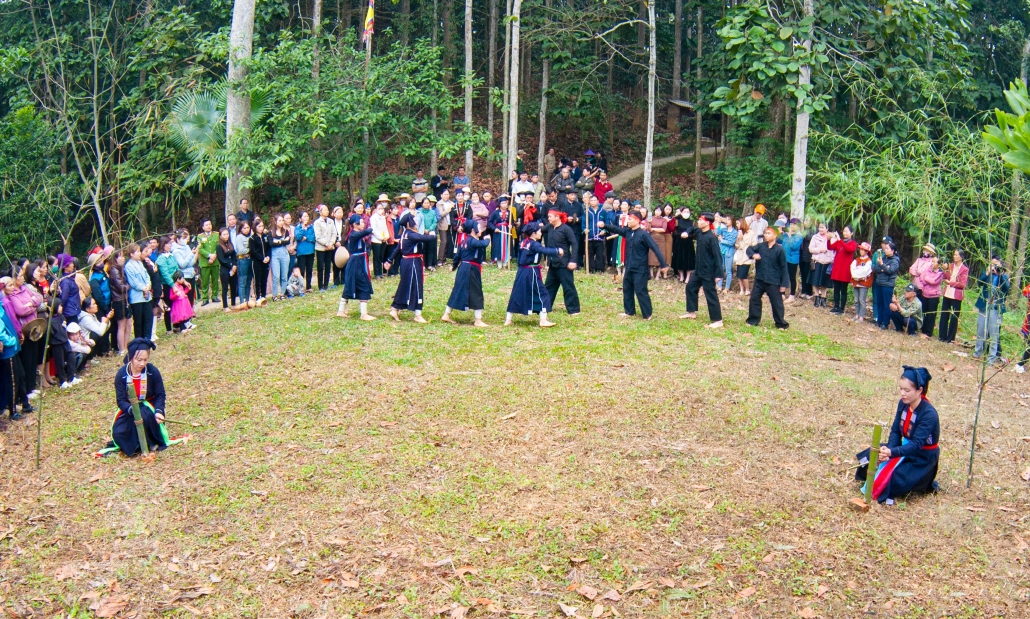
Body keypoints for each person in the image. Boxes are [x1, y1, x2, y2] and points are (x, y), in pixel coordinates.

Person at [855, 366, 940, 504]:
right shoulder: (903, 403)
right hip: (903, 447)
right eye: (901, 389)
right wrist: (888, 449)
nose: (903, 393)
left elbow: (917, 445)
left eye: (907, 390)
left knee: (893, 479)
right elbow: (896, 430)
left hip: (920, 456)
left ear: (919, 390)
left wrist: (892, 452)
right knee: (871, 457)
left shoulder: (928, 414)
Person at [98, 338, 190, 458]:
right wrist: (132, 410)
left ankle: (149, 444)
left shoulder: (152, 371)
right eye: (139, 360)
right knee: (120, 432)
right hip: (129, 409)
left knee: (145, 418)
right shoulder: (121, 375)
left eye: (145, 360)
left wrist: (159, 411)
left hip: (148, 405)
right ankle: (134, 446)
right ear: (131, 357)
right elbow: (120, 400)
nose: (142, 363)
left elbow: (160, 394)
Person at [597, 210, 669, 320]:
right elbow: (617, 229)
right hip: (629, 265)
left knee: (640, 291)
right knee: (627, 288)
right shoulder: (628, 232)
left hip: (640, 268)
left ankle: (647, 314)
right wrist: (604, 225)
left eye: (630, 219)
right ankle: (629, 311)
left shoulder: (644, 235)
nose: (628, 221)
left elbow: (655, 248)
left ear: (637, 220)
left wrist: (663, 264)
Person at [506, 222, 561, 327]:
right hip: (531, 271)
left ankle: (508, 319)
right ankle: (543, 320)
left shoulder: (523, 242)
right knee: (543, 293)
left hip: (521, 271)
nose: (541, 233)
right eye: (539, 231)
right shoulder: (534, 244)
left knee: (517, 293)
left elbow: (519, 257)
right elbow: (543, 250)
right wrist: (557, 250)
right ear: (533, 233)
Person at [384, 212, 437, 323]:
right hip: (412, 262)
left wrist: (389, 260)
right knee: (417, 286)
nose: (417, 222)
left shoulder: (405, 234)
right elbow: (425, 238)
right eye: (415, 220)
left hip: (408, 262)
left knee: (406, 285)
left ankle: (395, 309)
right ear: (409, 223)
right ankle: (417, 314)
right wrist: (433, 235)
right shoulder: (411, 235)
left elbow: (398, 249)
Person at [442, 220, 491, 327]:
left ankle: (446, 314)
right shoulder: (472, 241)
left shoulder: (464, 241)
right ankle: (478, 320)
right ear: (473, 230)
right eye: (478, 226)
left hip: (464, 268)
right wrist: (487, 239)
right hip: (470, 269)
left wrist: (454, 266)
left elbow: (458, 256)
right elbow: (483, 244)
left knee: (458, 290)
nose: (480, 229)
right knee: (476, 292)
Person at [682, 212, 723, 328]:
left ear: (707, 223)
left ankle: (718, 320)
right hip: (698, 270)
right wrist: (686, 232)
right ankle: (691, 312)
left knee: (710, 294)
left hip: (708, 271)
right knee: (690, 287)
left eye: (701, 220)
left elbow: (718, 257)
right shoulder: (699, 232)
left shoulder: (712, 238)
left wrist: (718, 274)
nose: (698, 222)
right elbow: (691, 228)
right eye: (699, 220)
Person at [744, 227, 790, 328]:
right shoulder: (761, 246)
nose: (766, 235)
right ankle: (753, 320)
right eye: (765, 233)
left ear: (775, 236)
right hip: (760, 278)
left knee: (776, 303)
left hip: (773, 280)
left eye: (769, 233)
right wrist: (753, 255)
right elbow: (749, 249)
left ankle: (781, 323)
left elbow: (784, 268)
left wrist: (784, 284)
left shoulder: (779, 250)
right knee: (754, 299)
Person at [337, 214, 377, 321]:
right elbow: (366, 232)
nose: (363, 223)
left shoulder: (355, 234)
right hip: (356, 263)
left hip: (358, 262)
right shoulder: (353, 235)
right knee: (363, 284)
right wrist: (372, 228)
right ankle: (363, 314)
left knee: (350, 284)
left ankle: (341, 310)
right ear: (355, 224)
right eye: (361, 222)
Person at [541, 209, 581, 316]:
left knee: (568, 287)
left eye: (550, 217)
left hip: (564, 263)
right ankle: (545, 306)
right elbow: (539, 230)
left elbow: (574, 244)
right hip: (553, 264)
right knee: (549, 287)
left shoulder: (566, 229)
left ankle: (573, 309)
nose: (548, 219)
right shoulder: (549, 227)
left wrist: (573, 261)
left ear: (557, 217)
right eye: (548, 216)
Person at [974, 255, 1009, 364]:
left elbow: (1007, 288)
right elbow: (979, 283)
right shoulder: (988, 273)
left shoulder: (1003, 276)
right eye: (992, 264)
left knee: (994, 333)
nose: (994, 267)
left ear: (1000, 265)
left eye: (996, 264)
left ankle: (991, 358)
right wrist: (987, 272)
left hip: (995, 307)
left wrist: (1000, 274)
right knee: (980, 329)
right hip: (984, 304)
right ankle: (977, 353)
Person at [911, 245, 944, 338]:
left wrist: (926, 278)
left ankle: (928, 332)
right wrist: (926, 278)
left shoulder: (940, 272)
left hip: (934, 295)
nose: (932, 263)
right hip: (925, 293)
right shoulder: (928, 269)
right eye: (932, 261)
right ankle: (922, 329)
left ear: (939, 264)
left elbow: (934, 281)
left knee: (931, 314)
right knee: (924, 312)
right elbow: (922, 278)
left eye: (934, 262)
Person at [938, 249, 969, 344]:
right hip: (947, 293)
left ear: (961, 257)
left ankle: (950, 338)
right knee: (944, 315)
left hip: (956, 295)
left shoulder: (964, 269)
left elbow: (962, 284)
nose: (954, 256)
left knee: (954, 317)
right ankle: (942, 336)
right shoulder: (951, 266)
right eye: (954, 255)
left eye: (956, 255)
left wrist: (951, 283)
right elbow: (945, 277)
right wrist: (945, 269)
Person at [123, 244, 152, 339]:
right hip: (137, 297)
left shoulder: (140, 263)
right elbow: (133, 282)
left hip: (146, 296)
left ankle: (147, 339)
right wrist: (143, 288)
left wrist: (147, 286)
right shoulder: (128, 266)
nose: (140, 253)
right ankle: (139, 340)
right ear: (131, 254)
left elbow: (147, 276)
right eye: (138, 251)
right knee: (139, 321)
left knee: (148, 318)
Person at [826, 226, 857, 315]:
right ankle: (836, 306)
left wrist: (839, 240)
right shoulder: (840, 242)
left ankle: (842, 308)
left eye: (847, 231)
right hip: (837, 269)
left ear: (851, 233)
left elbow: (848, 249)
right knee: (836, 289)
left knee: (843, 290)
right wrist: (828, 239)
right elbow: (830, 247)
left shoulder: (853, 243)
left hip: (845, 270)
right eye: (844, 231)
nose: (845, 233)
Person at [872, 238, 901, 330]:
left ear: (893, 251)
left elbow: (891, 270)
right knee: (879, 302)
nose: (885, 250)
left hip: (887, 284)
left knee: (886, 304)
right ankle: (879, 321)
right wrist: (883, 267)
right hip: (879, 282)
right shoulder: (883, 258)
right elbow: (875, 269)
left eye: (888, 249)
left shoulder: (895, 260)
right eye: (885, 248)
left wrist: (882, 266)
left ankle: (885, 322)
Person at [0, 296, 21, 419]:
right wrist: (11, 341)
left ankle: (9, 406)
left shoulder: (2, 306)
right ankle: (12, 411)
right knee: (12, 381)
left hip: (10, 349)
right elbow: (1, 333)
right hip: (7, 351)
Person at [171, 229, 197, 308]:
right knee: (185, 297)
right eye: (183, 238)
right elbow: (182, 264)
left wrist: (190, 256)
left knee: (191, 295)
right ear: (178, 239)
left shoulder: (187, 247)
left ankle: (190, 313)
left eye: (186, 238)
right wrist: (191, 254)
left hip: (191, 274)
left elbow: (192, 262)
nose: (185, 240)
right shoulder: (176, 251)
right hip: (184, 276)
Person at [314, 204, 337, 291]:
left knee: (328, 266)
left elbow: (334, 233)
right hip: (321, 248)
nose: (327, 211)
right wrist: (327, 244)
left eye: (327, 210)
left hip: (330, 247)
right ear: (320, 212)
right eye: (325, 210)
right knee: (320, 267)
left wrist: (331, 243)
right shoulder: (317, 222)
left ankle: (326, 284)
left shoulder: (331, 221)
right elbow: (318, 236)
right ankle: (320, 286)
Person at [196, 219, 219, 305]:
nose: (208, 226)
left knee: (215, 279)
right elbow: (200, 248)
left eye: (210, 224)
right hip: (205, 262)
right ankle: (205, 298)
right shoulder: (200, 236)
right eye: (206, 225)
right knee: (205, 281)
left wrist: (214, 256)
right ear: (203, 227)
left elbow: (218, 246)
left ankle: (214, 296)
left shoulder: (216, 235)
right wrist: (209, 256)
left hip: (215, 261)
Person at [489, 195, 516, 268]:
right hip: (498, 232)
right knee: (499, 246)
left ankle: (505, 263)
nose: (504, 205)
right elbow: (490, 222)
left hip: (507, 231)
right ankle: (499, 263)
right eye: (502, 203)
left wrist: (511, 225)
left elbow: (512, 222)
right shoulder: (495, 212)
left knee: (507, 245)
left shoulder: (509, 212)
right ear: (500, 204)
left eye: (505, 203)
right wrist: (494, 228)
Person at [269, 215, 292, 301]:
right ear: (275, 222)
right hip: (275, 255)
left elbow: (288, 241)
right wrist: (282, 241)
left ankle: (282, 293)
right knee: (276, 276)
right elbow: (271, 243)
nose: (281, 222)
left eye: (282, 220)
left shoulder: (285, 231)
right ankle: (274, 295)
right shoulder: (271, 232)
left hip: (284, 254)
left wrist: (278, 241)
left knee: (284, 275)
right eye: (279, 220)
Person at [850, 242, 874, 323]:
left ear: (867, 251)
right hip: (856, 282)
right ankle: (857, 314)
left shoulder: (869, 261)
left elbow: (865, 271)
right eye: (860, 249)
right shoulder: (857, 260)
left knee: (861, 300)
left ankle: (861, 317)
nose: (861, 251)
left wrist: (858, 272)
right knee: (856, 299)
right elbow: (852, 269)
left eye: (863, 250)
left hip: (864, 283)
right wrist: (856, 275)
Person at [216, 228, 237, 312]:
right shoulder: (219, 246)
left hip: (233, 268)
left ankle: (233, 303)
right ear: (220, 236)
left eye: (227, 234)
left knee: (233, 286)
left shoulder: (230, 244)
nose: (226, 236)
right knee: (225, 288)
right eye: (224, 234)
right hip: (225, 269)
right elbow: (221, 259)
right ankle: (225, 306)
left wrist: (235, 265)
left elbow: (234, 255)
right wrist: (230, 266)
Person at [732, 218, 755, 296]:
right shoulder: (738, 233)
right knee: (739, 275)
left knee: (744, 274)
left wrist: (743, 239)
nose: (737, 225)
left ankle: (747, 289)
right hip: (739, 255)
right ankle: (741, 289)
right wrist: (738, 239)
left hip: (747, 256)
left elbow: (753, 244)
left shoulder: (751, 233)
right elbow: (736, 245)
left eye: (738, 223)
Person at [584, 195, 607, 273]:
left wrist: (604, 230)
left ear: (598, 201)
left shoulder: (603, 212)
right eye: (591, 200)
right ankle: (591, 269)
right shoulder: (587, 212)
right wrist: (584, 230)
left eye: (595, 200)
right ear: (589, 202)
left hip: (599, 237)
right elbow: (583, 223)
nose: (593, 202)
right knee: (590, 253)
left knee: (600, 253)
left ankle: (600, 269)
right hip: (589, 237)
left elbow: (606, 223)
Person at [781, 220, 803, 302]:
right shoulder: (786, 234)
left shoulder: (799, 236)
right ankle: (782, 293)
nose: (792, 226)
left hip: (792, 259)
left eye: (794, 224)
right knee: (783, 275)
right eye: (791, 224)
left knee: (792, 277)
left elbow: (794, 246)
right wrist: (782, 234)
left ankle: (792, 295)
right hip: (784, 257)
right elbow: (781, 243)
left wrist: (790, 236)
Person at [293, 212, 315, 292]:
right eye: (304, 216)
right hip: (301, 252)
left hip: (310, 251)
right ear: (300, 219)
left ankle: (309, 286)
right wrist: (302, 228)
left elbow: (313, 237)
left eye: (307, 216)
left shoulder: (311, 227)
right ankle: (300, 287)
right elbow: (298, 237)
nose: (306, 218)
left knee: (309, 269)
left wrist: (306, 238)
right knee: (301, 270)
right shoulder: (298, 227)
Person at [671, 208, 695, 283]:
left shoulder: (692, 222)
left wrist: (688, 235)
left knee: (689, 259)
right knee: (680, 258)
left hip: (688, 242)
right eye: (684, 211)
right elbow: (674, 231)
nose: (686, 213)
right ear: (681, 212)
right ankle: (681, 276)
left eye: (688, 212)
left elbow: (694, 233)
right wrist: (680, 234)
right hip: (679, 242)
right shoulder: (677, 221)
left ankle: (688, 277)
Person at [233, 220, 254, 308]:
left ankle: (248, 300)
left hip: (250, 259)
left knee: (249, 280)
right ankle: (242, 301)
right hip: (242, 260)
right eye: (244, 228)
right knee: (242, 281)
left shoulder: (251, 236)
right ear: (241, 229)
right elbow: (240, 250)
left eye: (248, 227)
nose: (246, 229)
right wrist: (250, 250)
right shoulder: (239, 237)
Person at [251, 219, 271, 303]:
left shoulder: (265, 236)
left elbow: (268, 247)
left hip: (266, 261)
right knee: (258, 279)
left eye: (262, 226)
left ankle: (263, 295)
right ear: (255, 227)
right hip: (257, 261)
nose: (261, 228)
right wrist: (262, 258)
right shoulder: (252, 238)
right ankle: (258, 296)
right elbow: (253, 251)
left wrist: (268, 257)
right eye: (259, 226)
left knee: (264, 279)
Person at [716, 215, 738, 293]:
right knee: (720, 268)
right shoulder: (724, 229)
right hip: (722, 250)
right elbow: (717, 233)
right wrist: (718, 224)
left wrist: (722, 240)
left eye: (728, 220)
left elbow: (731, 243)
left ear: (732, 221)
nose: (727, 221)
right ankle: (719, 285)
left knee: (728, 270)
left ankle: (727, 287)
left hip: (729, 252)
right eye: (726, 219)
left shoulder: (735, 232)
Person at [369, 201, 390, 279]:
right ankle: (377, 274)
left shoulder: (383, 217)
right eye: (379, 208)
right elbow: (373, 230)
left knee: (381, 257)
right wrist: (381, 237)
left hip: (383, 240)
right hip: (376, 240)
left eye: (382, 208)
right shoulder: (373, 218)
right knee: (376, 257)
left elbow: (385, 228)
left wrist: (386, 237)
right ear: (376, 209)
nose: (381, 210)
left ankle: (381, 273)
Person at [421, 197, 440, 271]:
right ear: (422, 204)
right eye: (425, 203)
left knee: (431, 249)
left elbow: (434, 222)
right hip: (422, 233)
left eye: (427, 203)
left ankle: (430, 264)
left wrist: (429, 229)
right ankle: (423, 264)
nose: (426, 204)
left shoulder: (432, 212)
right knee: (423, 249)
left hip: (430, 232)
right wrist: (423, 230)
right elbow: (419, 222)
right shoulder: (419, 212)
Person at [799, 223, 814, 299]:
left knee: (808, 274)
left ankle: (809, 292)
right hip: (801, 255)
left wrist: (803, 232)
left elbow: (808, 237)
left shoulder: (813, 230)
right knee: (803, 274)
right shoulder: (801, 229)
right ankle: (803, 291)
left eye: (808, 220)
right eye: (805, 220)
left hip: (809, 255)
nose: (806, 222)